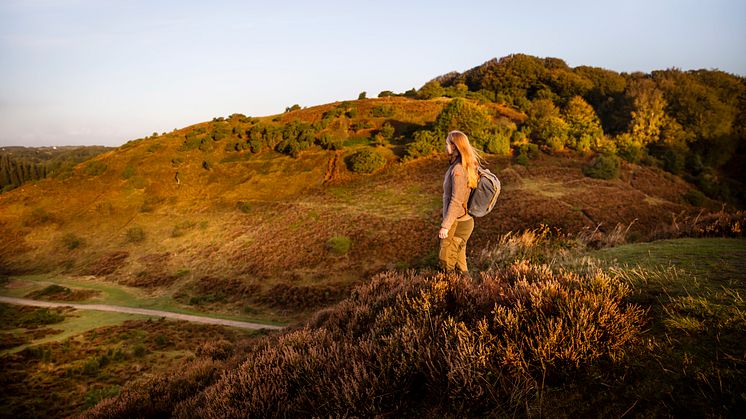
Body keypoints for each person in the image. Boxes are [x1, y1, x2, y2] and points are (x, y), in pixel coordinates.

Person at [438, 130, 483, 273]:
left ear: (455, 147)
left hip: (456, 223)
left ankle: (452, 293)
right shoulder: (466, 165)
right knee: (459, 264)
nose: (445, 147)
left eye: (447, 144)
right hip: (464, 221)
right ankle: (466, 291)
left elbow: (456, 200)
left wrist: (445, 226)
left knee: (446, 263)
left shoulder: (458, 169)